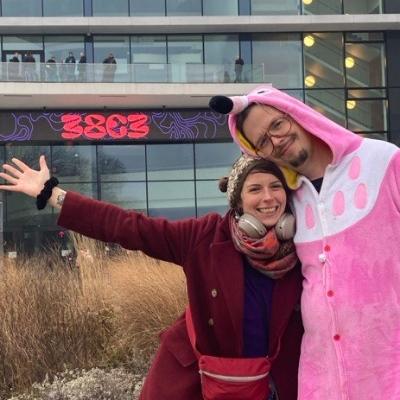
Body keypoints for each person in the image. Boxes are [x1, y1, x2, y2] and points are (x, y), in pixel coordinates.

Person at [0, 154, 303, 400]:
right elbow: (129, 226)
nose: (268, 197)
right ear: (238, 200)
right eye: (255, 189)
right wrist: (52, 194)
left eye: (275, 186)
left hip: (272, 386)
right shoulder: (204, 236)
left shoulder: (305, 248)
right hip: (195, 383)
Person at [209, 85, 400, 399]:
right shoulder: (288, 199)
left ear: (295, 114)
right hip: (321, 382)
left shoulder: (383, 160)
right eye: (263, 142)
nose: (276, 140)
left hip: (389, 375)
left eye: (277, 124)